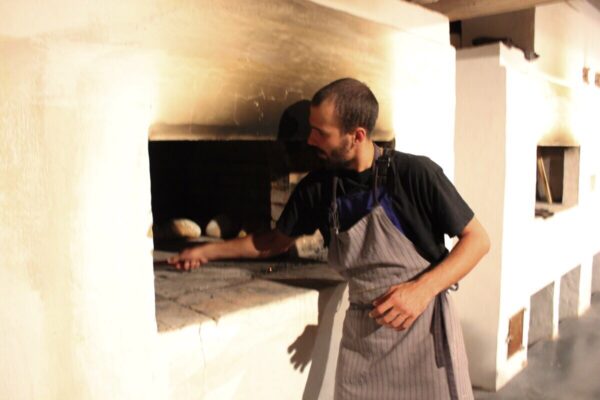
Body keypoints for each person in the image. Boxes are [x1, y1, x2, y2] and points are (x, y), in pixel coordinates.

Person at [168, 78, 490, 400]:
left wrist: (422, 290)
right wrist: (206, 251)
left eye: (321, 132)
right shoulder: (318, 189)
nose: (310, 139)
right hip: (364, 339)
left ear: (357, 135)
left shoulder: (414, 174)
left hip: (424, 333)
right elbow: (273, 242)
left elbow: (477, 240)